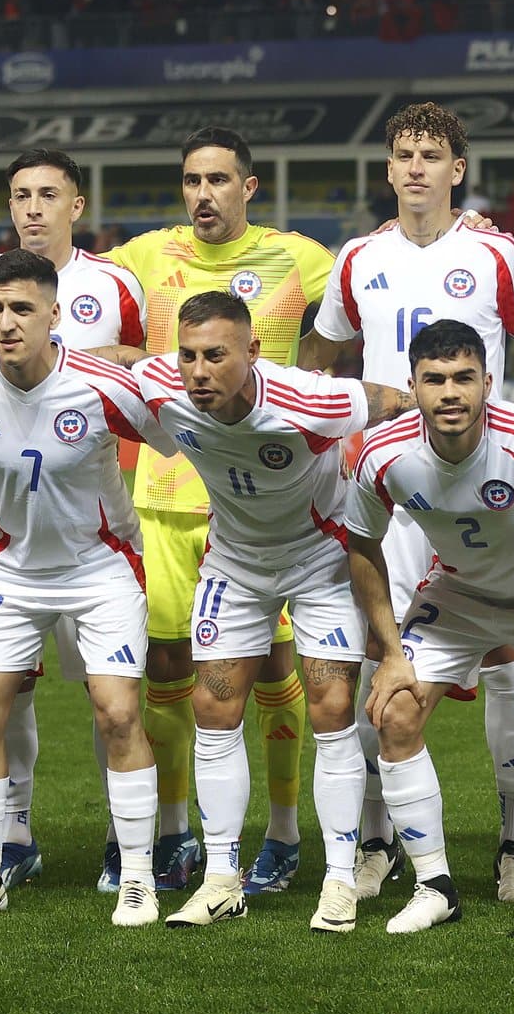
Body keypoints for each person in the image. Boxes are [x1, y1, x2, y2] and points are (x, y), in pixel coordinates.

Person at [301, 101, 514, 906]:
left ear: (458, 170)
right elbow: (319, 352)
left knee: (505, 664)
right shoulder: (357, 258)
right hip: (392, 488)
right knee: (382, 670)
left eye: (432, 154)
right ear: (387, 169)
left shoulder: (495, 252)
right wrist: (320, 414)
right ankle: (382, 842)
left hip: (480, 485)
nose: (416, 166)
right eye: (404, 153)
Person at [102, 130, 335, 894]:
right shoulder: (147, 254)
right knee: (169, 667)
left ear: (250, 186)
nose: (203, 193)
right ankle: (174, 832)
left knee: (272, 668)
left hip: (268, 502)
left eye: (218, 180)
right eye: (191, 180)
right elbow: (64, 273)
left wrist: (465, 225)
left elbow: (387, 272)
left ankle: (284, 831)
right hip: (167, 495)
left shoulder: (298, 258)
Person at [135, 292, 412, 933]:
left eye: (215, 356)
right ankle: (220, 878)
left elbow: (394, 399)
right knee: (213, 709)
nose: (198, 371)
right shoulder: (162, 386)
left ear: (253, 353)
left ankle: (339, 880)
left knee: (332, 708)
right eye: (189, 356)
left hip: (320, 559)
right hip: (234, 561)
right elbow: (116, 362)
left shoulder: (310, 401)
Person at [0, 250, 167, 928]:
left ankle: (138, 877)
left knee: (116, 713)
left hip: (100, 566)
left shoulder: (104, 385)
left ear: (56, 314)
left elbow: (181, 438)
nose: (6, 321)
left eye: (22, 308)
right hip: (13, 569)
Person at [345, 319, 514, 937]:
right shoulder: (384, 454)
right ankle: (433, 885)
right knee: (394, 711)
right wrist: (389, 652)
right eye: (434, 380)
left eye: (464, 378)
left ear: (488, 382)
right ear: (412, 386)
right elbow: (361, 546)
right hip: (458, 596)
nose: (450, 392)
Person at [0, 149, 148, 892]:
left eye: (47, 194)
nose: (31, 207)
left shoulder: (115, 282)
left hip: (93, 520)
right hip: (9, 523)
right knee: (5, 688)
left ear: (75, 205)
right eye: (20, 194)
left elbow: (146, 375)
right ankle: (13, 834)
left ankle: (128, 846)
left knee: (109, 693)